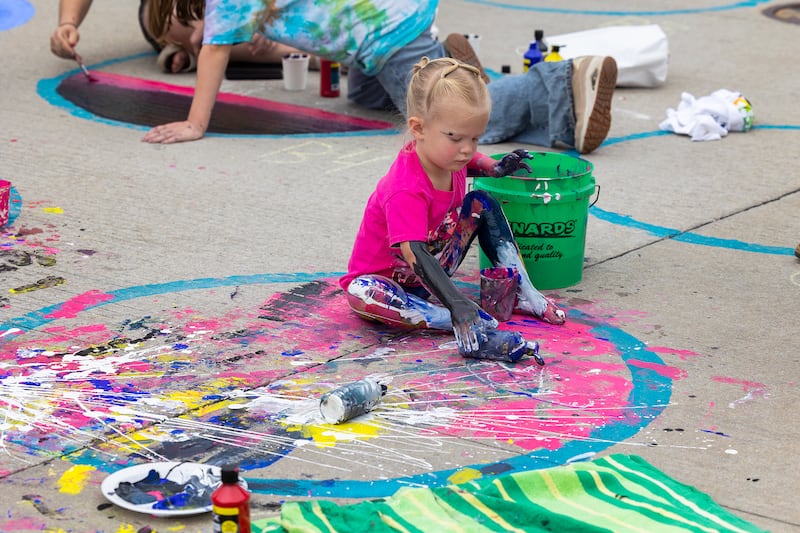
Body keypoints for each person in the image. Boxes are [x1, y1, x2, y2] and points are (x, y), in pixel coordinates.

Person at [141, 0, 617, 155]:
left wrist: (196, 123)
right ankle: (445, 65)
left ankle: (561, 83)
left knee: (453, 123)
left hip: (387, 34)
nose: (188, 45)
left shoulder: (224, 7)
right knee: (369, 96)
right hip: (383, 33)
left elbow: (214, 52)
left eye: (181, 34)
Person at [340, 57, 566, 363]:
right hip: (391, 283)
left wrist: (496, 168)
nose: (467, 149)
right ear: (419, 129)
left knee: (481, 202)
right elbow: (415, 254)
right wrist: (457, 303)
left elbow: (473, 162)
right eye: (456, 138)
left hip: (433, 271)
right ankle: (449, 317)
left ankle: (525, 292)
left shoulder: (450, 159)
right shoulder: (405, 186)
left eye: (474, 138)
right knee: (362, 291)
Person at [49, 0, 312, 75]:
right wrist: (67, 24)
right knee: (176, 18)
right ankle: (315, 57)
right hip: (178, 12)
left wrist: (258, 12)